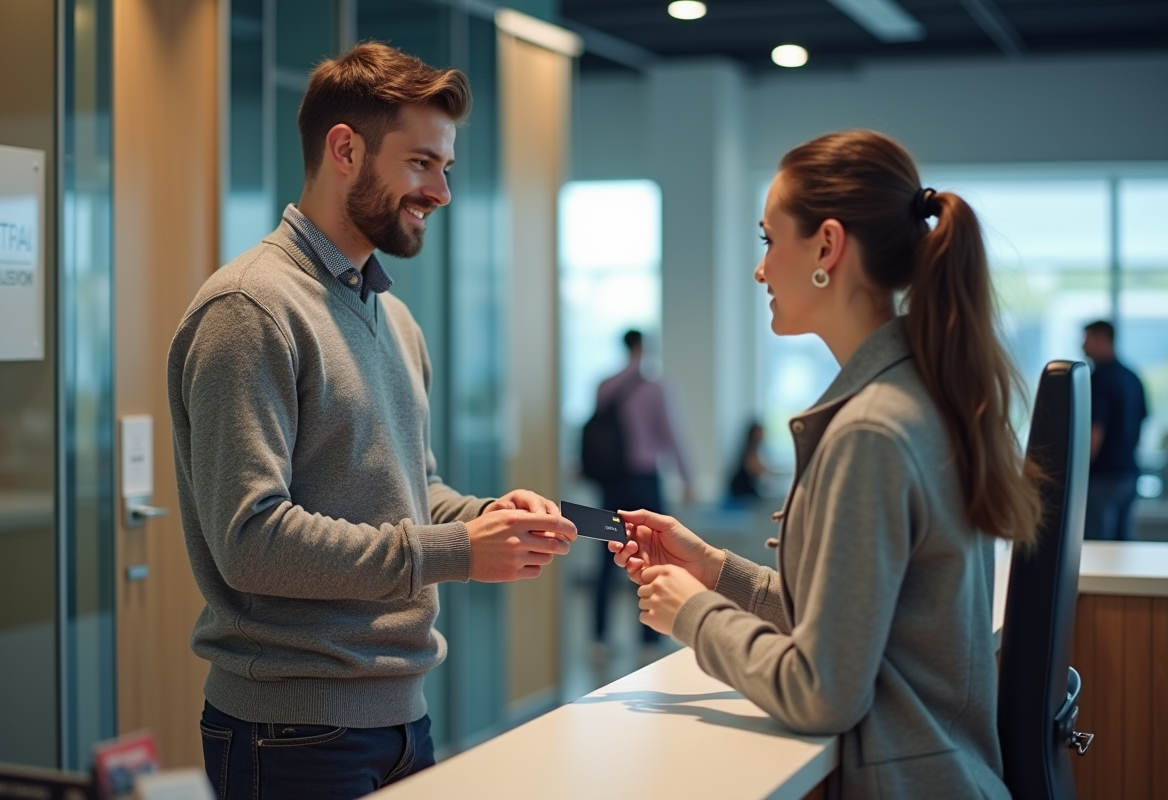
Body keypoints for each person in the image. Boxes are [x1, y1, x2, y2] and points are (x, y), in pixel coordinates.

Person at [167, 43, 576, 799]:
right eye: (421, 163)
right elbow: (251, 541)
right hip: (290, 732)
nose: (441, 192)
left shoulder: (393, 318)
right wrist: (458, 550)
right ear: (346, 150)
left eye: (445, 168)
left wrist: (488, 518)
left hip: (400, 720)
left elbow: (413, 489)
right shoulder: (250, 309)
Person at [608, 130, 1042, 799]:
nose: (760, 270)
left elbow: (822, 690)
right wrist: (714, 571)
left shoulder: (871, 430)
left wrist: (691, 612)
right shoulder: (919, 396)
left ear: (826, 247)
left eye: (768, 240)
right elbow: (847, 624)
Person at [590, 329, 692, 653]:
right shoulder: (655, 387)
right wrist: (687, 478)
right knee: (651, 557)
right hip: (645, 481)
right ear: (643, 348)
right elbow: (671, 435)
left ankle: (600, 637)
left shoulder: (605, 386)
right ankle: (650, 637)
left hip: (612, 482)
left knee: (605, 559)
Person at [1082, 320, 1148, 540]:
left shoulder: (1099, 379)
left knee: (1097, 544)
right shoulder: (1132, 377)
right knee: (1122, 544)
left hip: (1103, 476)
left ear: (1102, 339)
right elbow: (1141, 423)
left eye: (1087, 339)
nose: (1082, 345)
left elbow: (1095, 430)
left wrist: (1081, 471)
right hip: (1128, 473)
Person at [725, 421, 770, 506]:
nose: (761, 436)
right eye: (759, 434)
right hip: (741, 492)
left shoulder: (756, 450)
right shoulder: (748, 451)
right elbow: (756, 469)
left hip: (747, 491)